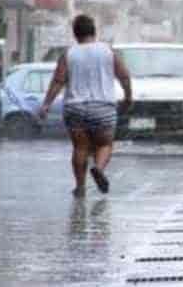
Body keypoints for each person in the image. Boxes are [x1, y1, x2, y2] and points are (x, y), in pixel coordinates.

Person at [39, 15, 132, 197]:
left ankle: (80, 187)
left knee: (80, 147)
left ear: (75, 33)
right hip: (103, 107)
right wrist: (128, 97)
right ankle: (98, 167)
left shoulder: (69, 54)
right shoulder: (108, 51)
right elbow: (124, 76)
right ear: (94, 31)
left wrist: (46, 104)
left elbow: (58, 81)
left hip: (75, 108)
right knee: (105, 144)